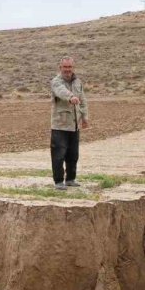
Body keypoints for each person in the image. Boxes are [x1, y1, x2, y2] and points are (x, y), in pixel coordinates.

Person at [50, 56, 90, 190]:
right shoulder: (56, 81)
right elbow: (61, 91)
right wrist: (70, 97)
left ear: (73, 67)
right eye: (65, 67)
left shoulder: (78, 82)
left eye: (70, 67)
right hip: (60, 125)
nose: (67, 70)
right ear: (60, 68)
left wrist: (84, 117)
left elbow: (83, 100)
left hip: (74, 125)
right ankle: (59, 181)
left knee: (73, 155)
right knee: (58, 155)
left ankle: (71, 179)